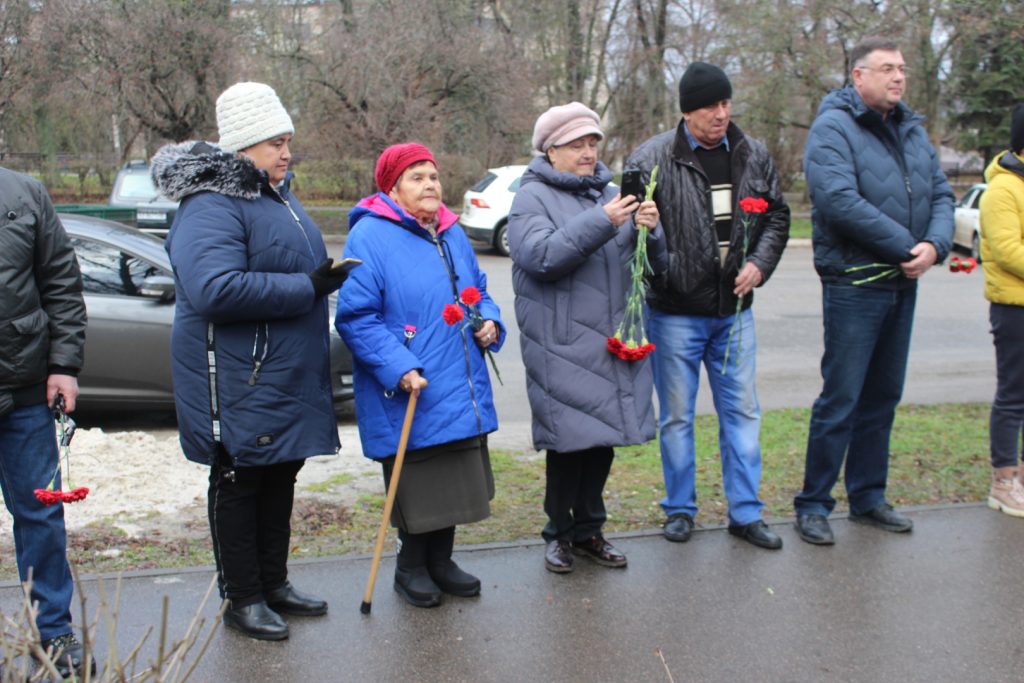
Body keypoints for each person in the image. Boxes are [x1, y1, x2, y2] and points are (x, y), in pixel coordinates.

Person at [152, 82, 343, 640]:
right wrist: (307, 287)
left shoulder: (276, 196)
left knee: (280, 474)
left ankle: (273, 583)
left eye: (288, 141)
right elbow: (214, 289)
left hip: (280, 372)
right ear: (243, 146)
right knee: (240, 482)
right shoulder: (210, 203)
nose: (287, 153)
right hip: (237, 377)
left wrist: (323, 279)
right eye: (275, 143)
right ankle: (243, 597)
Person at [794, 38, 955, 544]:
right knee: (841, 398)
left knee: (883, 396)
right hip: (854, 283)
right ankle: (813, 504)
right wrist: (908, 247)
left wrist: (935, 245)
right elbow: (838, 200)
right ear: (858, 76)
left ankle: (867, 497)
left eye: (902, 68)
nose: (899, 77)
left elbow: (942, 193)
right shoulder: (833, 128)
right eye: (887, 68)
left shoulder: (911, 128)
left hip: (901, 282)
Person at [626, 63, 790, 550]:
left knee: (741, 413)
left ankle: (746, 513)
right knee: (677, 418)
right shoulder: (652, 158)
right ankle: (680, 509)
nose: (720, 114)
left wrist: (759, 263)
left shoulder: (752, 154)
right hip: (675, 313)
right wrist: (655, 243)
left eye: (725, 103)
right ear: (687, 111)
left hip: (734, 311)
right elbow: (632, 234)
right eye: (709, 106)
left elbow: (777, 216)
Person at [337, 143, 504, 608]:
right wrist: (400, 367)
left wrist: (489, 320)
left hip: (456, 378)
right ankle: (410, 567)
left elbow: (477, 290)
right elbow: (356, 317)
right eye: (416, 177)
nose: (430, 184)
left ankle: (440, 562)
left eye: (433, 175)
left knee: (453, 473)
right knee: (418, 478)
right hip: (411, 382)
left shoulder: (450, 232)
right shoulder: (370, 236)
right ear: (392, 189)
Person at [508, 102, 666, 573]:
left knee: (601, 443)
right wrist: (605, 220)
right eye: (575, 144)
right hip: (560, 344)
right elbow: (539, 256)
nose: (587, 152)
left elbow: (652, 269)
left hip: (609, 340)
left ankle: (589, 531)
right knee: (568, 444)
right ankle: (558, 533)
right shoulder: (531, 197)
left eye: (592, 142)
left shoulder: (613, 194)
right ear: (550, 151)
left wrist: (652, 233)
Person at [0, 168, 94, 678]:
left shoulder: (25, 192)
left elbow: (61, 282)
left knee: (40, 516)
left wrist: (63, 365)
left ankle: (54, 632)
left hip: (25, 390)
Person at [980, 103, 1024, 517]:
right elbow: (1009, 251)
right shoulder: (1003, 189)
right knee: (1014, 396)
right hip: (1015, 307)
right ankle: (1003, 481)